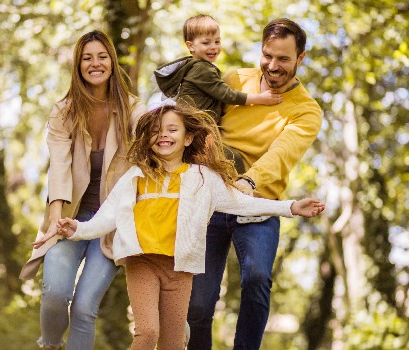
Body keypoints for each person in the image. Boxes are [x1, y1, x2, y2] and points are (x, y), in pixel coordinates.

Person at [34, 104, 324, 350]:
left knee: (174, 342)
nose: (163, 135)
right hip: (142, 262)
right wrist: (78, 229)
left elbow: (241, 203)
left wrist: (289, 207)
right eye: (157, 130)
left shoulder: (202, 177)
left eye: (172, 129)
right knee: (147, 333)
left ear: (188, 139)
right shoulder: (138, 176)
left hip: (180, 268)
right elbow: (107, 216)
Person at [186, 18, 324, 350]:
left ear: (300, 58)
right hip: (213, 200)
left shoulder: (306, 110)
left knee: (258, 278)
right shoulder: (234, 80)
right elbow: (203, 123)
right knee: (200, 302)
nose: (273, 66)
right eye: (267, 56)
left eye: (284, 59)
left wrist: (249, 180)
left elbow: (282, 152)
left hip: (260, 203)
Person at [18, 30, 146, 350]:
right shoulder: (64, 112)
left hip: (109, 224)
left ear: (113, 63)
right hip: (70, 217)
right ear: (78, 66)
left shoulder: (132, 109)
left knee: (85, 308)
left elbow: (154, 145)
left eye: (102, 56)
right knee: (55, 294)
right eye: (87, 58)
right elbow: (59, 167)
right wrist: (55, 221)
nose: (95, 63)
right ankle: (50, 345)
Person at [153, 14, 282, 126]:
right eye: (206, 43)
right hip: (193, 127)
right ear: (190, 46)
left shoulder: (196, 66)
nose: (213, 47)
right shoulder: (202, 69)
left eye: (217, 41)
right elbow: (227, 94)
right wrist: (260, 99)